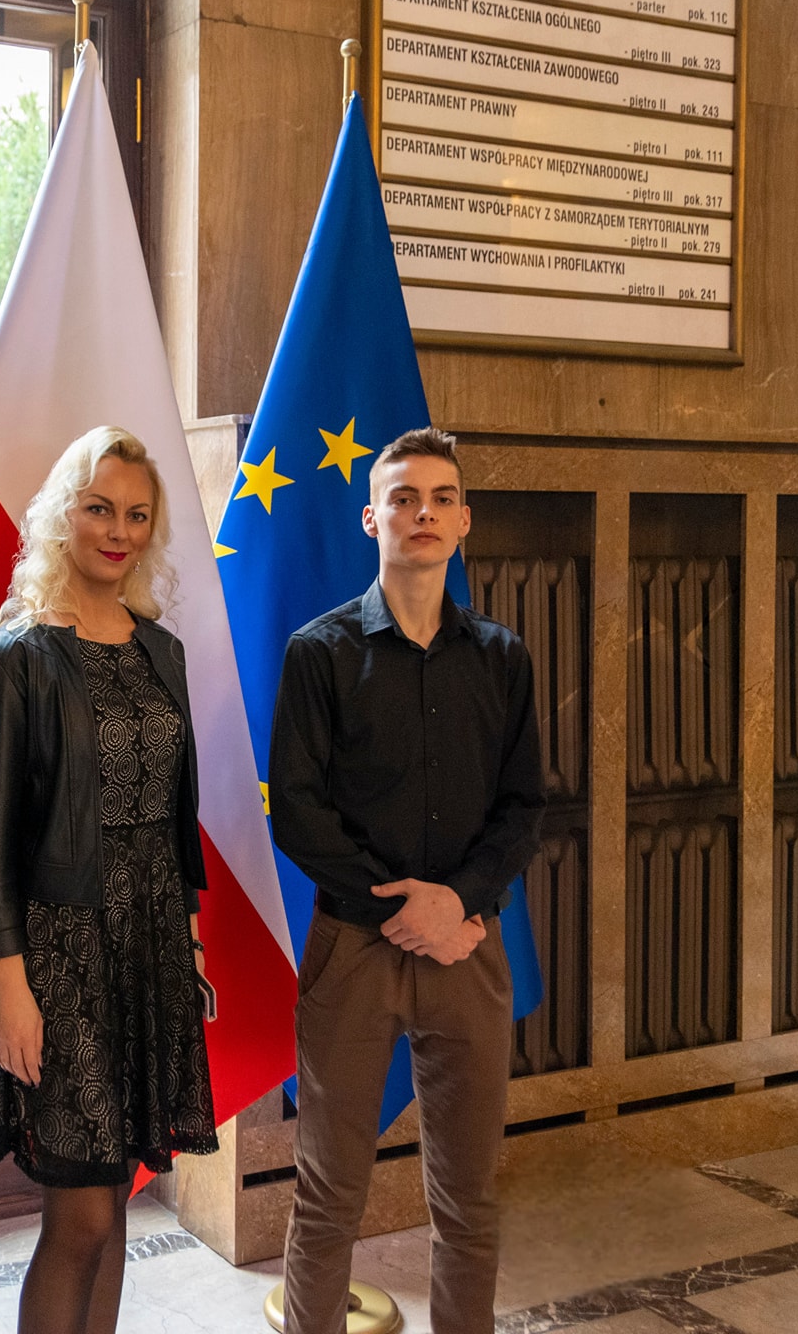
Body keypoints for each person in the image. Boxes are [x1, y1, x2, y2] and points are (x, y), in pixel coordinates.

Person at [270, 426, 543, 1334]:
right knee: (328, 1195)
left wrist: (455, 903)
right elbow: (297, 810)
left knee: (470, 1199)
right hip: (354, 946)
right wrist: (402, 908)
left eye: (440, 499)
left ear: (463, 520)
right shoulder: (319, 652)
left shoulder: (502, 657)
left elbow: (523, 807)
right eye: (403, 499)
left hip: (467, 944)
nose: (422, 513)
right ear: (371, 518)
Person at [0, 426, 219, 1334]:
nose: (119, 531)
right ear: (61, 516)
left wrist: (188, 943)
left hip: (149, 949)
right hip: (58, 960)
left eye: (137, 515)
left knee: (117, 1204)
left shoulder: (162, 651)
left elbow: (177, 814)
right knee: (83, 1217)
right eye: (100, 509)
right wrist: (9, 989)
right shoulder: (9, 663)